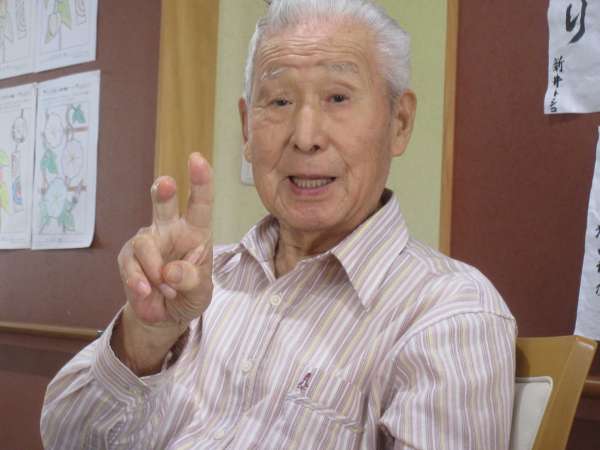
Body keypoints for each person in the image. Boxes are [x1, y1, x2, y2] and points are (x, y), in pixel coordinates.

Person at [41, 1, 516, 448]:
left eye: (338, 97)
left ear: (400, 122)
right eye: (280, 102)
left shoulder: (448, 314)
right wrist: (146, 337)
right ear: (247, 128)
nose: (306, 137)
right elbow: (64, 437)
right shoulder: (196, 282)